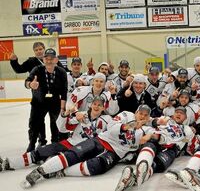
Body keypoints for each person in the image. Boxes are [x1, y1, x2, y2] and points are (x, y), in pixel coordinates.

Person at [21, 105, 153, 188]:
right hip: (101, 141)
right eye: (140, 113)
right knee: (74, 155)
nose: (142, 116)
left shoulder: (148, 129)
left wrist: (144, 134)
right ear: (136, 112)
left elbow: (144, 140)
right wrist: (131, 125)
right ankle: (39, 172)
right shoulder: (126, 115)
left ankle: (60, 171)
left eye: (146, 115)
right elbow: (112, 128)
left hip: (115, 153)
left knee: (97, 167)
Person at [0, 96, 112, 171]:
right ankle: (10, 163)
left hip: (86, 150)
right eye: (95, 104)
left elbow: (111, 137)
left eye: (100, 105)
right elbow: (63, 128)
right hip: (70, 143)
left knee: (54, 160)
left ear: (103, 107)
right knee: (40, 152)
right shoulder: (81, 115)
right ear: (90, 105)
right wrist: (66, 115)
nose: (96, 106)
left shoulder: (108, 119)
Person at [115, 107, 194, 191]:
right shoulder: (165, 119)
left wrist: (187, 138)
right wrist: (155, 123)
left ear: (186, 117)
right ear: (173, 113)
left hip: (171, 149)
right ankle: (142, 163)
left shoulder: (187, 129)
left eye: (181, 113)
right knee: (150, 143)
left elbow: (190, 145)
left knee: (158, 164)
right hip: (157, 140)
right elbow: (151, 121)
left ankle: (133, 177)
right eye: (177, 112)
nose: (178, 114)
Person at [24, 48, 68, 152]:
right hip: (38, 102)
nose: (49, 61)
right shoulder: (37, 69)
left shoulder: (61, 72)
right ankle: (32, 144)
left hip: (55, 103)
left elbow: (64, 91)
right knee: (35, 124)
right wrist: (30, 84)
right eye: (46, 58)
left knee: (56, 123)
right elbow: (27, 82)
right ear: (43, 60)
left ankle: (55, 143)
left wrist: (62, 107)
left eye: (51, 59)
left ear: (56, 60)